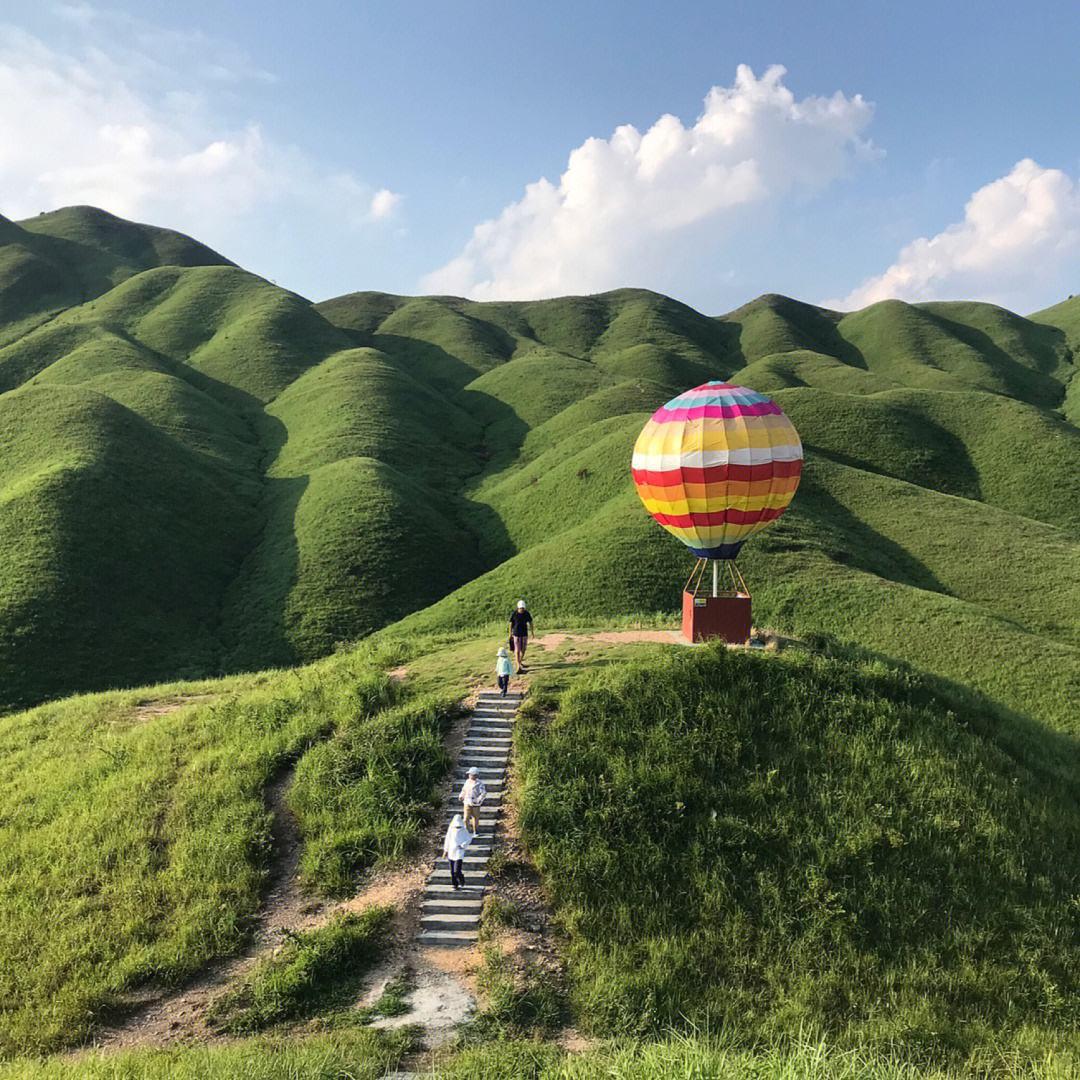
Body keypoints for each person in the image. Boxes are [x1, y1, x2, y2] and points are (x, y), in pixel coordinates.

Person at [443, 813, 472, 890]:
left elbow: (469, 839)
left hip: (459, 852)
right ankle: (454, 884)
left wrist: (463, 845)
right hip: (451, 852)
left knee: (457, 870)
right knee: (452, 871)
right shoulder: (451, 830)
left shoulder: (464, 830)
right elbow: (447, 840)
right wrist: (445, 850)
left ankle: (461, 878)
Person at [459, 765, 487, 835]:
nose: (469, 776)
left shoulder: (479, 783)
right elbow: (464, 790)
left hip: (475, 804)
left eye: (471, 774)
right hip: (467, 802)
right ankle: (467, 831)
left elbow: (483, 793)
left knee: (475, 818)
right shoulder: (467, 781)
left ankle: (476, 831)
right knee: (465, 818)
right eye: (469, 774)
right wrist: (461, 795)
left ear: (475, 775)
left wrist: (478, 799)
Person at [508, 599, 533, 674]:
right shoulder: (514, 614)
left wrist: (532, 632)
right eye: (520, 608)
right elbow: (510, 624)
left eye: (523, 608)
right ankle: (518, 665)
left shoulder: (526, 613)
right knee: (517, 650)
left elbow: (530, 622)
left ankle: (519, 662)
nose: (522, 609)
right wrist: (510, 634)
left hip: (524, 634)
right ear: (518, 608)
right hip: (516, 634)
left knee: (523, 649)